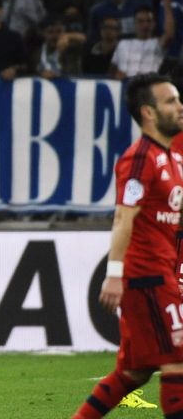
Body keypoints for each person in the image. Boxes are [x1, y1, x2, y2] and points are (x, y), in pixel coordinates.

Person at [72, 73, 183, 418]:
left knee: (133, 372)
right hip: (147, 277)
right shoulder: (139, 159)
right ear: (148, 112)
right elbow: (124, 216)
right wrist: (114, 274)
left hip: (161, 272)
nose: (180, 106)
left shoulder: (173, 159)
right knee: (178, 361)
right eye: (171, 101)